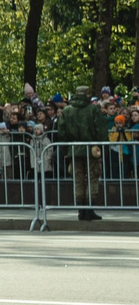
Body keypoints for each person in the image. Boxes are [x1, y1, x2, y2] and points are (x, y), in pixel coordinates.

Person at [56, 85, 109, 221]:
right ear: (87, 95)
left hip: (73, 149)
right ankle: (89, 210)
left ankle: (81, 210)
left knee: (78, 178)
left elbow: (61, 132)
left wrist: (66, 150)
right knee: (92, 177)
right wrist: (102, 147)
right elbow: (101, 130)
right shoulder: (93, 110)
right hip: (92, 149)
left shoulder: (67, 111)